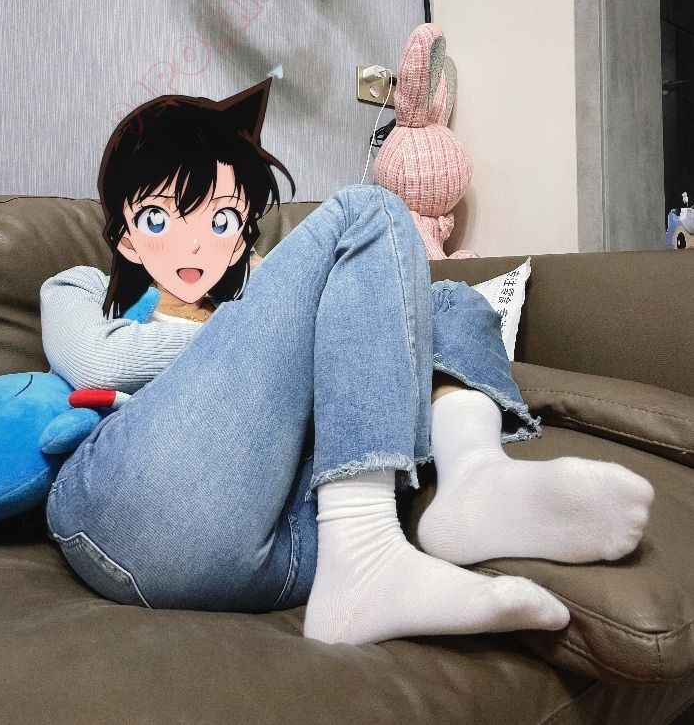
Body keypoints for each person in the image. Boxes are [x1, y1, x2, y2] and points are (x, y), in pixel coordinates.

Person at [43, 79, 654, 646]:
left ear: (244, 228)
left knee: (451, 301)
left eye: (221, 218)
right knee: (370, 212)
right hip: (124, 502)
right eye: (159, 218)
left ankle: (470, 479)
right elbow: (98, 362)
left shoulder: (258, 292)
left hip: (271, 546)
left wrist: (305, 324)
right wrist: (288, 325)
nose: (196, 243)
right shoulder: (80, 286)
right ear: (126, 236)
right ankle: (366, 545)